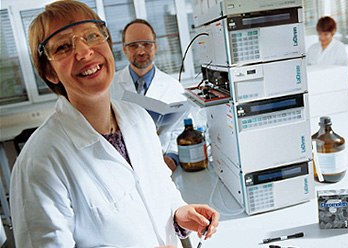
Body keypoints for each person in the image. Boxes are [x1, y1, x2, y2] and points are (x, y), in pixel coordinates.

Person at [9, 1, 219, 247]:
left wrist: (178, 213)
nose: (85, 52)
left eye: (92, 36)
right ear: (49, 72)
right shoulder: (40, 161)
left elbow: (160, 188)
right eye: (64, 47)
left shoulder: (139, 119)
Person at [111, 19, 187, 172]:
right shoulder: (109, 87)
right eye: (133, 46)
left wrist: (172, 156)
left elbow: (180, 129)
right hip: (122, 167)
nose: (140, 51)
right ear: (124, 50)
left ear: (156, 47)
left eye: (146, 44)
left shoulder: (173, 87)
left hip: (161, 165)